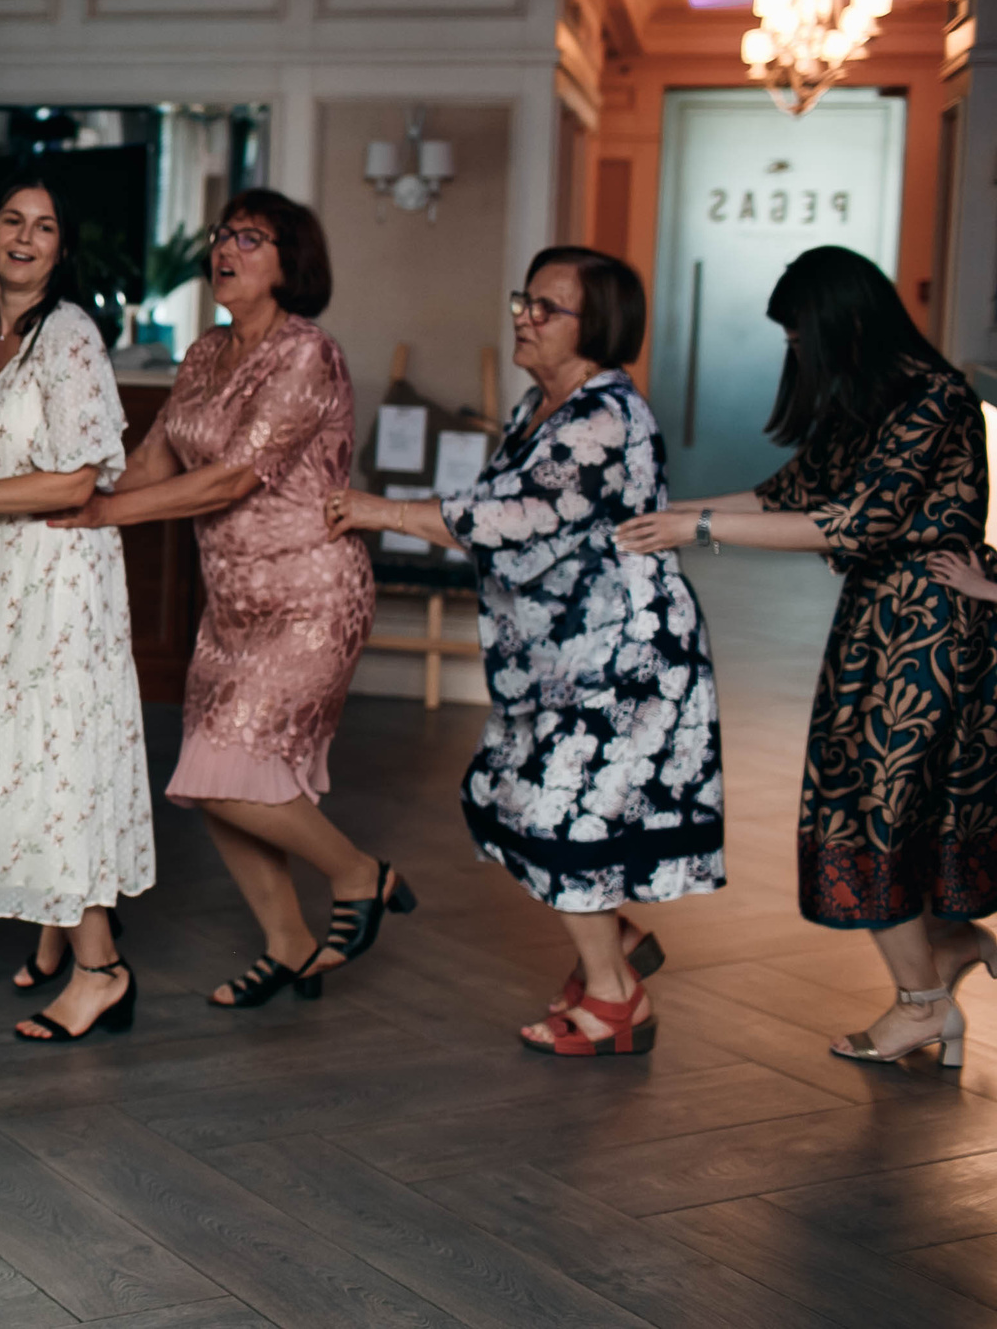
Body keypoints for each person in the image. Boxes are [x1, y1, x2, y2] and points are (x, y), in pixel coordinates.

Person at [335, 246, 723, 1056]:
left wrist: (379, 511)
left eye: (548, 308)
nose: (524, 316)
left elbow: (511, 516)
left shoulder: (603, 417)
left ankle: (617, 1000)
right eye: (525, 299)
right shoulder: (538, 405)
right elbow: (495, 510)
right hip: (555, 657)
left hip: (623, 659)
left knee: (559, 818)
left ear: (599, 326)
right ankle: (613, 941)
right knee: (500, 796)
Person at [619, 245, 991, 1068]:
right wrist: (662, 512)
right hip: (875, 626)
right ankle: (949, 954)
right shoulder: (872, 402)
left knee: (873, 814)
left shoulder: (936, 399)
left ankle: (924, 1000)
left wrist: (696, 529)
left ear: (843, 322)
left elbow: (851, 522)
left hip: (928, 633)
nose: (796, 351)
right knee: (863, 805)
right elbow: (786, 495)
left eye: (798, 335)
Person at [54, 191, 398, 1008]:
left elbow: (233, 476)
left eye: (251, 237)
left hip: (310, 595)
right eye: (222, 236)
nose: (225, 249)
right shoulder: (207, 351)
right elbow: (157, 457)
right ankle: (287, 942)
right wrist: (72, 496)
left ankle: (360, 874)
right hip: (232, 604)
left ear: (290, 261)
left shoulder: (308, 353)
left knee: (228, 775)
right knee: (216, 773)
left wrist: (104, 512)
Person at [0, 178, 155, 1045]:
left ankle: (102, 969)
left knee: (59, 763)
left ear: (62, 246)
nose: (26, 236)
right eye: (13, 220)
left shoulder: (71, 332)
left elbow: (80, 476)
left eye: (44, 225)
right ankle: (59, 926)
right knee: (12, 753)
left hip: (56, 581)